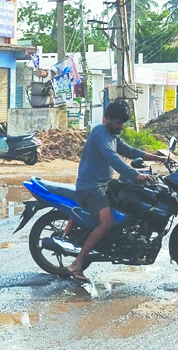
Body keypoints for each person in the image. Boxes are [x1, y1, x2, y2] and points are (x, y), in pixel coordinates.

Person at [65, 101, 161, 282]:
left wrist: (159, 158)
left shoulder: (112, 135)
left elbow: (131, 151)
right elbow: (113, 157)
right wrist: (135, 175)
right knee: (107, 221)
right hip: (91, 186)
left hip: (105, 183)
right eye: (118, 123)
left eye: (123, 123)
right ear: (106, 119)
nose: (121, 127)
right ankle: (77, 263)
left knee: (134, 199)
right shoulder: (100, 133)